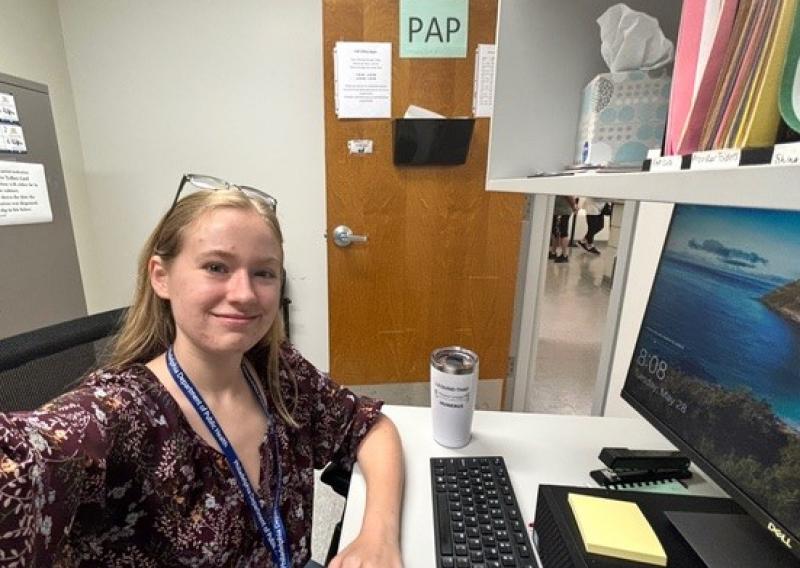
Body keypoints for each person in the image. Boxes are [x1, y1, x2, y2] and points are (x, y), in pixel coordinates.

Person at [0, 176, 404, 567]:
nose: (244, 294)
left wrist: (377, 535)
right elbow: (26, 460)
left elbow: (369, 426)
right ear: (161, 277)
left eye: (264, 272)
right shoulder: (119, 413)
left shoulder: (277, 372)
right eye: (216, 267)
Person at [549, 195, 578, 263]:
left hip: (562, 211)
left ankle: (564, 255)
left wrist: (574, 206)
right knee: (555, 232)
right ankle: (553, 252)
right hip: (557, 210)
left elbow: (569, 196)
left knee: (562, 232)